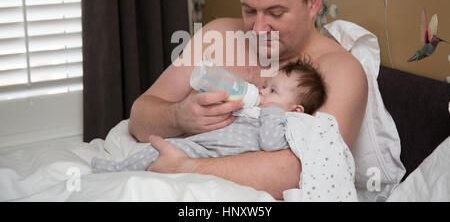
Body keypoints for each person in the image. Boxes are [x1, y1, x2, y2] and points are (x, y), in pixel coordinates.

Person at [128, 0, 368, 200]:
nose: (258, 29)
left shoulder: (340, 73)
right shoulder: (217, 36)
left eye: (275, 13)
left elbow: (303, 169)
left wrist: (187, 167)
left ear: (312, 3)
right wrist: (178, 116)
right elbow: (139, 117)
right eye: (249, 11)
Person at [92, 57, 327, 173]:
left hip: (212, 154)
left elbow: (270, 143)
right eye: (266, 86)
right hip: (204, 142)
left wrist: (273, 112)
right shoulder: (260, 110)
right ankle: (119, 169)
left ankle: (115, 172)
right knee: (160, 149)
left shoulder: (284, 123)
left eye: (273, 91)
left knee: (159, 152)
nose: (263, 92)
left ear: (296, 110)